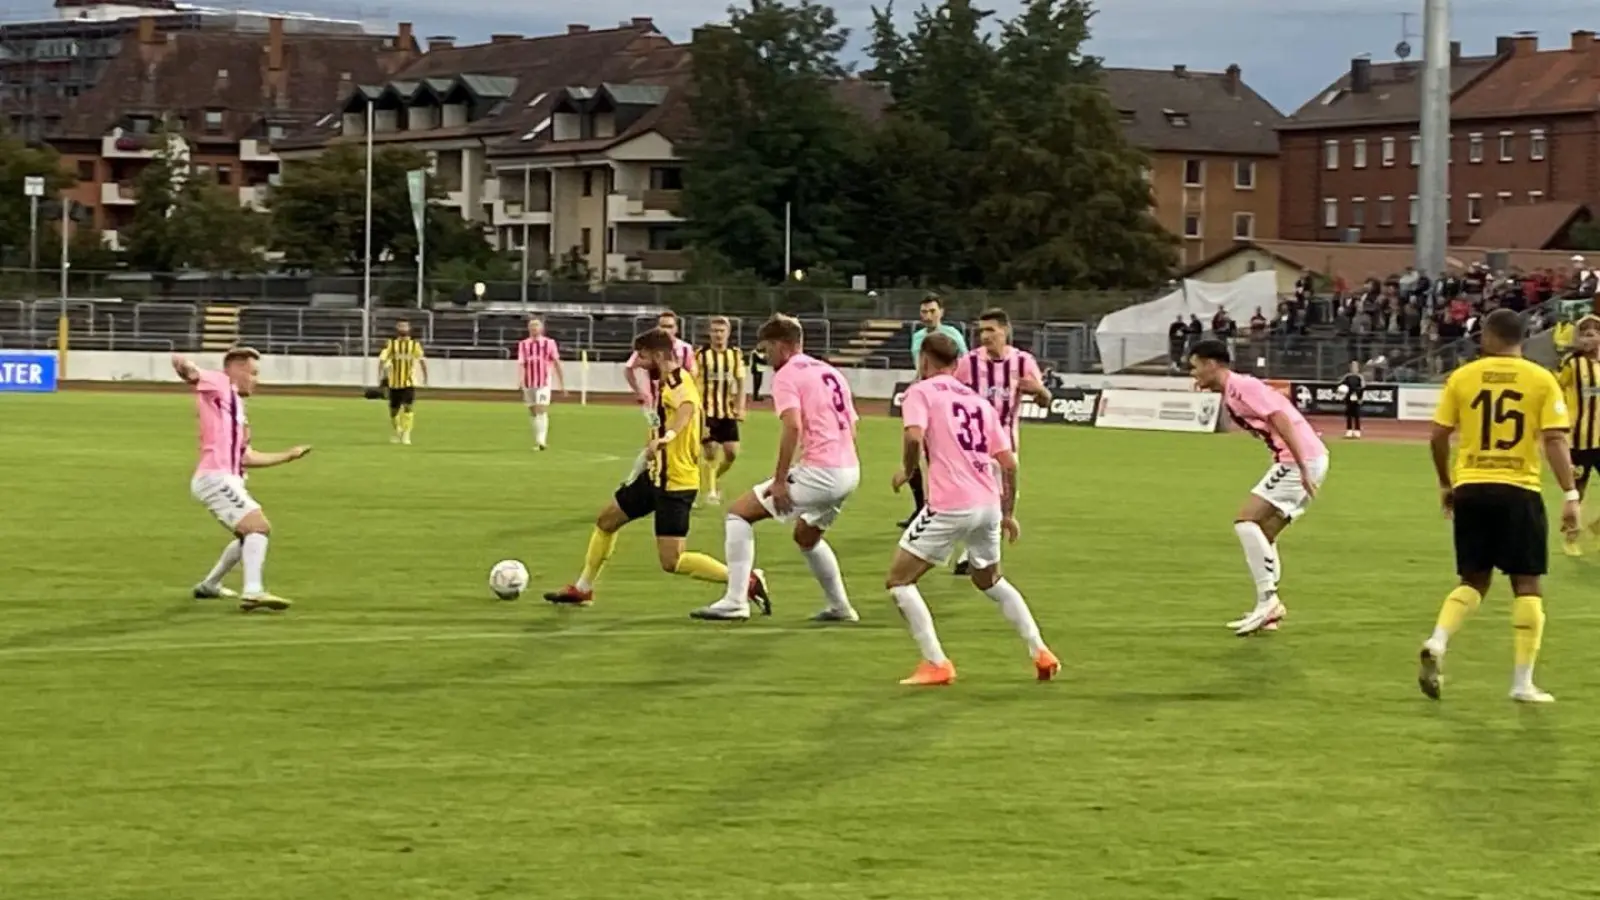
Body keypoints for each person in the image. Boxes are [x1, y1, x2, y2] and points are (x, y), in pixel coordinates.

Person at [1418, 308, 1579, 704]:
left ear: (1488, 336)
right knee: (1527, 583)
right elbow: (1556, 440)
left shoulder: (1463, 376)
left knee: (1473, 580)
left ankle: (1438, 641)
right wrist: (1571, 495)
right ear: (1522, 337)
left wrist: (1445, 482)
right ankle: (1522, 682)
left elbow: (1438, 436)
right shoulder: (1541, 379)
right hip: (1518, 489)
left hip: (1472, 487)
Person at [543, 328, 769, 608]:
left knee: (672, 561)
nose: (637, 362)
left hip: (676, 482)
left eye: (642, 356)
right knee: (606, 521)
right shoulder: (665, 382)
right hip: (655, 477)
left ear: (659, 355)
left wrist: (667, 438)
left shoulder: (678, 382)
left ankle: (745, 580)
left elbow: (686, 409)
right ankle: (583, 589)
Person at [887, 332, 1058, 685]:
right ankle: (1040, 651)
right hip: (988, 503)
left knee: (899, 581)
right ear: (958, 363)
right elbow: (1009, 463)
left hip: (951, 504)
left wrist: (908, 470)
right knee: (989, 580)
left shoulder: (920, 392)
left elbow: (914, 436)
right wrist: (1008, 512)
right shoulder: (979, 402)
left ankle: (935, 662)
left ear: (924, 359)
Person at [691, 315, 859, 622]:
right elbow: (852, 425)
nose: (765, 357)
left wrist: (781, 480)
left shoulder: (787, 375)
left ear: (781, 345)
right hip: (849, 470)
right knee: (807, 537)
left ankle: (735, 600)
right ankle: (841, 608)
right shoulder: (829, 371)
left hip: (821, 471)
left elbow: (792, 426)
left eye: (766, 349)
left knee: (738, 513)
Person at [1189, 339, 1330, 636]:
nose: (1194, 374)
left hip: (1298, 461)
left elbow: (1281, 418)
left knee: (1245, 522)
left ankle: (1268, 601)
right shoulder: (1235, 390)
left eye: (1196, 367)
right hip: (1304, 458)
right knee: (1264, 533)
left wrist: (1302, 467)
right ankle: (1268, 611)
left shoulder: (1241, 388)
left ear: (1212, 364)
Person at [173, 349, 311, 612]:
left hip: (227, 478)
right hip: (215, 477)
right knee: (258, 527)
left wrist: (288, 456)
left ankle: (210, 585)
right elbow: (190, 373)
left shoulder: (237, 410)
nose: (256, 380)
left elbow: (245, 456)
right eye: (253, 373)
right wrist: (184, 365)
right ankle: (253, 591)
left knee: (248, 535)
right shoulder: (220, 383)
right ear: (236, 369)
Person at [949, 307, 1051, 575]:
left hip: (1005, 442)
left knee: (998, 498)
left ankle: (976, 554)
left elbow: (1044, 401)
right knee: (978, 498)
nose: (984, 336)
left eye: (990, 330)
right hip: (973, 444)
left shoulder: (1023, 362)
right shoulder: (968, 362)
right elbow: (950, 398)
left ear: (1005, 331)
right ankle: (974, 555)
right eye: (981, 331)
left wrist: (1039, 390)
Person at [901, 293, 968, 528]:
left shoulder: (953, 336)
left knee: (939, 452)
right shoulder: (917, 337)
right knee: (914, 447)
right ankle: (920, 506)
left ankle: (943, 503)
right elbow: (919, 369)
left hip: (946, 400)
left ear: (941, 312)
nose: (927, 316)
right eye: (923, 312)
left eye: (932, 311)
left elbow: (963, 367)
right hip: (923, 397)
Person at [1556, 315, 1600, 556]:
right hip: (1579, 441)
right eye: (1584, 333)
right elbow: (1555, 387)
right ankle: (1570, 537)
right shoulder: (1572, 364)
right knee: (1576, 493)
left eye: (1594, 333)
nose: (1589, 338)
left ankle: (1597, 528)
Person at [695, 316, 746, 505]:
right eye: (715, 331)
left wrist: (740, 407)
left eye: (721, 331)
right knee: (711, 451)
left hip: (727, 411)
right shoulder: (700, 354)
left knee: (732, 453)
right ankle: (711, 492)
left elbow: (740, 383)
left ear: (728, 333)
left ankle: (712, 479)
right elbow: (694, 381)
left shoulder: (735, 354)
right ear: (709, 333)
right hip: (706, 411)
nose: (718, 334)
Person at [623, 310, 695, 425]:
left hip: (676, 398)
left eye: (670, 326)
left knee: (674, 429)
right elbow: (629, 368)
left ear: (676, 328)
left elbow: (692, 373)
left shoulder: (686, 348)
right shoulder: (648, 346)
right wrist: (638, 391)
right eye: (663, 326)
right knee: (655, 430)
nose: (666, 330)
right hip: (652, 400)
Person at [517, 318, 565, 451]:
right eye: (531, 326)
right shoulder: (523, 344)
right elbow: (521, 363)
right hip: (529, 382)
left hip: (543, 381)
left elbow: (556, 362)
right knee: (532, 410)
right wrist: (520, 379)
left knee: (541, 408)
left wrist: (562, 382)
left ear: (542, 328)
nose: (534, 328)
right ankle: (538, 439)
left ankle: (541, 441)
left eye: (536, 325)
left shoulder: (549, 343)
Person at [379, 319, 427, 445]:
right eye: (400, 326)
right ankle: (398, 431)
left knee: (408, 407)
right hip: (394, 382)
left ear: (409, 328)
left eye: (405, 326)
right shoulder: (391, 344)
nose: (403, 328)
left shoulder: (414, 345)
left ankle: (406, 434)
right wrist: (381, 374)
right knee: (393, 411)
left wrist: (425, 376)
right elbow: (383, 359)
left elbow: (421, 360)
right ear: (397, 329)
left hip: (408, 382)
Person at [1339, 359, 1365, 439]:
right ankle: (1349, 431)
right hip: (1348, 398)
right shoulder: (1347, 376)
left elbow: (1363, 387)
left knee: (1357, 415)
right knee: (1349, 414)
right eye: (1353, 366)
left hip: (1356, 398)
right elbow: (1341, 386)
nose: (1354, 368)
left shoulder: (1360, 377)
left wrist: (1360, 397)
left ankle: (1357, 431)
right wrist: (1342, 393)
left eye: (1355, 366)